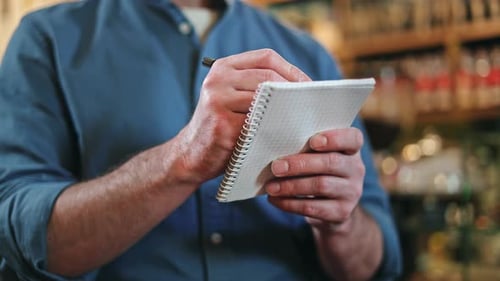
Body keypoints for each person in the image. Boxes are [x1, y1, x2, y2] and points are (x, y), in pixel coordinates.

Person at [0, 0, 402, 280]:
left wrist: (340, 225)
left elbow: (376, 263)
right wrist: (182, 159)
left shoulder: (309, 55)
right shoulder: (47, 40)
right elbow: (22, 242)